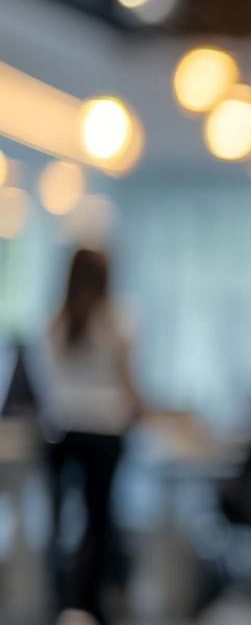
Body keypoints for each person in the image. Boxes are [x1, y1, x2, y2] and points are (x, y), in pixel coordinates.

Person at [41, 249, 145, 624]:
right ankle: (91, 604)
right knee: (98, 522)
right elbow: (129, 384)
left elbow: (48, 383)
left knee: (61, 522)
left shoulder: (57, 320)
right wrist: (144, 412)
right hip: (103, 432)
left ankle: (63, 601)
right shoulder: (115, 320)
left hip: (62, 433)